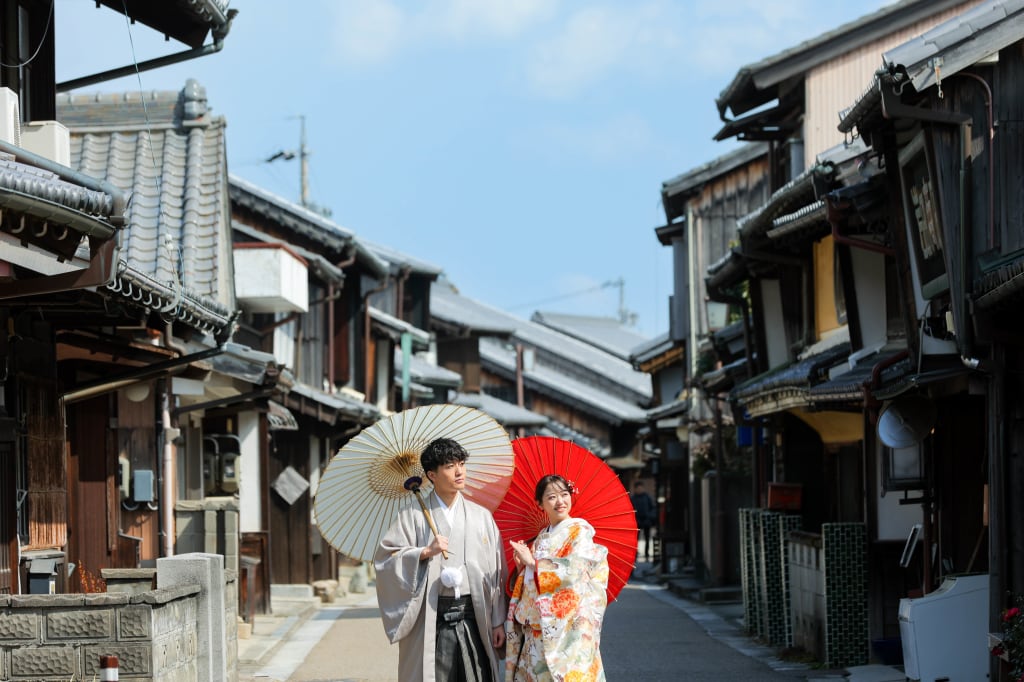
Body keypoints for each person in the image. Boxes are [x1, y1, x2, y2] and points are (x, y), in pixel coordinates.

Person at [374, 437, 507, 681]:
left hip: (475, 615)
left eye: (461, 464)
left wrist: (498, 621)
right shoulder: (411, 516)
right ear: (431, 475)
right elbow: (386, 559)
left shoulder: (482, 517)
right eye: (449, 466)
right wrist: (423, 552)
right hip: (431, 615)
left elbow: (497, 571)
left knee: (476, 675)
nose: (459, 472)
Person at [505, 474, 609, 682]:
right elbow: (531, 581)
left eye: (564, 494)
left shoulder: (580, 531)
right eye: (551, 497)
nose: (560, 501)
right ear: (540, 504)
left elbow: (576, 571)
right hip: (537, 627)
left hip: (568, 629)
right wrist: (522, 567)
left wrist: (534, 564)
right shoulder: (542, 536)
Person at [630, 480, 657, 562]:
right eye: (638, 488)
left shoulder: (647, 497)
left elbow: (653, 508)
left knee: (647, 537)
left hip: (646, 520)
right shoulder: (632, 498)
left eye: (640, 488)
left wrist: (649, 517)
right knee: (635, 539)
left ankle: (646, 553)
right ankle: (635, 553)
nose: (639, 490)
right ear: (635, 489)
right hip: (636, 521)